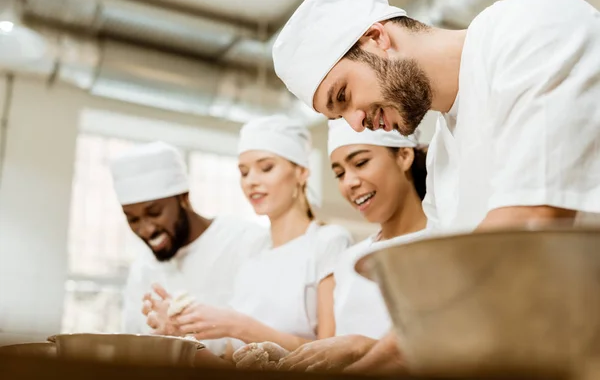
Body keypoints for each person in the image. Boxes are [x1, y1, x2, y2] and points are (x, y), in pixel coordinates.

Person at [272, 0, 600, 233]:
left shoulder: (529, 26)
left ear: (376, 38)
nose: (355, 124)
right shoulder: (443, 159)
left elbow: (533, 219)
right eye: (339, 116)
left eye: (343, 96)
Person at [146, 115, 353, 359]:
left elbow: (331, 354)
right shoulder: (252, 251)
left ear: (301, 172)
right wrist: (182, 333)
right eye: (244, 172)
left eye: (266, 168)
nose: (251, 181)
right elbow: (232, 362)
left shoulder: (328, 242)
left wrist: (238, 325)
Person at [233, 119, 429, 374]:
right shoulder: (351, 261)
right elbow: (338, 354)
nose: (349, 183)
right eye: (339, 174)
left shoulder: (444, 244)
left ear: (404, 156)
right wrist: (292, 360)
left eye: (360, 163)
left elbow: (448, 352)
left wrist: (359, 348)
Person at [109, 141, 269, 356]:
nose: (146, 230)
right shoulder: (142, 267)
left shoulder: (245, 241)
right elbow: (131, 349)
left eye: (155, 213)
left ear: (184, 197)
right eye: (133, 219)